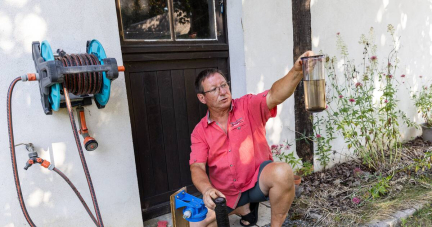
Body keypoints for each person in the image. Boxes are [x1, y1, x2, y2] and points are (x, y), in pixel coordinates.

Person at [189, 51, 314, 227]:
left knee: (283, 172)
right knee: (197, 224)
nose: (222, 92)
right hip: (226, 194)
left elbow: (275, 95)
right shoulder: (200, 131)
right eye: (214, 89)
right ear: (202, 98)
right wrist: (207, 190)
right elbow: (197, 167)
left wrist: (297, 71)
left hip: (256, 182)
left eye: (224, 85)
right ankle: (243, 208)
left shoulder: (247, 105)